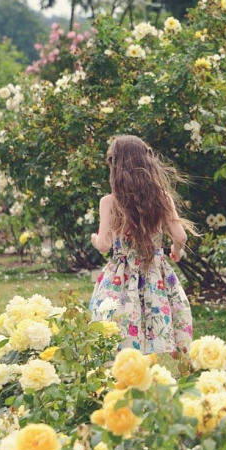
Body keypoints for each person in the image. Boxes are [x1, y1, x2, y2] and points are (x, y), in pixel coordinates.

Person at [88, 135, 196, 355]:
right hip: (154, 270)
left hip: (121, 274)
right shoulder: (162, 197)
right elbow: (180, 236)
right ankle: (147, 366)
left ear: (115, 165)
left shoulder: (109, 202)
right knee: (153, 314)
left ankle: (128, 365)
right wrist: (176, 251)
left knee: (118, 318)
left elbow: (103, 246)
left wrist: (94, 238)